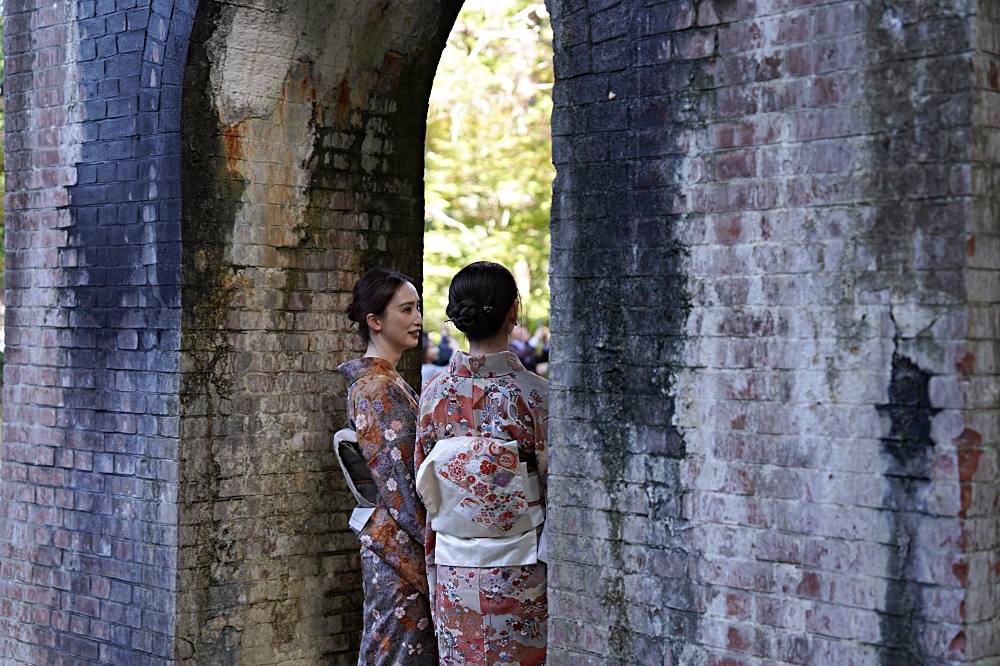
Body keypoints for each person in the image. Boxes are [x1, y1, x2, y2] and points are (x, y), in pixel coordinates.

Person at [415, 262, 548, 666]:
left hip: (455, 566)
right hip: (522, 567)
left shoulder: (434, 395)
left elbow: (425, 482)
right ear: (513, 312)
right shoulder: (535, 395)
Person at [338, 268, 437, 665]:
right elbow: (402, 489)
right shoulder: (378, 388)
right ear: (374, 321)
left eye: (419, 308)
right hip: (400, 553)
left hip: (394, 547)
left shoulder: (386, 381)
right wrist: (438, 547)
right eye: (406, 309)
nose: (417, 318)